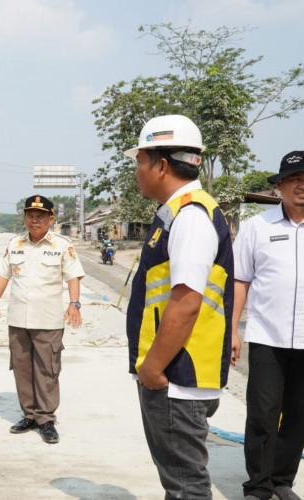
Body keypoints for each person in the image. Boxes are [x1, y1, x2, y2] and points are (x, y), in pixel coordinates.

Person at [124, 115, 234, 499]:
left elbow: (186, 303)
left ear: (162, 165)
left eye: (139, 161)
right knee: (180, 483)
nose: (137, 171)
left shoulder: (190, 217)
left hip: (176, 377)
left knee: (186, 486)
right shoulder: (178, 212)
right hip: (176, 375)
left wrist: (152, 368)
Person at [231, 151, 304, 500]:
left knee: (298, 415)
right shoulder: (256, 228)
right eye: (294, 179)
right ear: (279, 187)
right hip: (266, 337)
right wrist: (233, 330)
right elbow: (240, 281)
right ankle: (258, 485)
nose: (302, 185)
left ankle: (282, 481)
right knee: (262, 414)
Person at [0, 195, 84, 444]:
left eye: (40, 216)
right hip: (18, 320)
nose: (34, 220)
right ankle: (29, 415)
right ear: (24, 217)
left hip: (49, 320)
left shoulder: (62, 245)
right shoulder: (15, 243)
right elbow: (3, 274)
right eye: (30, 215)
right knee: (21, 369)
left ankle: (46, 418)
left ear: (51, 218)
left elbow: (73, 276)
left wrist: (74, 304)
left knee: (47, 370)